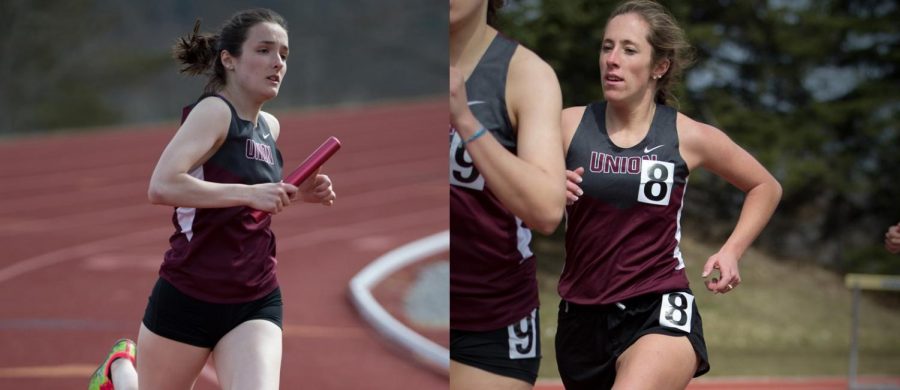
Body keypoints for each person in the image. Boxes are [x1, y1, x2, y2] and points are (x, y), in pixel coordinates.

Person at [88, 8, 336, 390]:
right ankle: (120, 369)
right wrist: (251, 192)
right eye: (265, 50)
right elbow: (162, 186)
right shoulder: (214, 112)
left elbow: (246, 209)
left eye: (284, 54)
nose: (278, 63)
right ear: (229, 59)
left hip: (256, 295)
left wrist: (298, 194)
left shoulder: (269, 126)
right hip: (190, 294)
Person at [555, 1, 782, 389]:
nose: (612, 60)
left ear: (659, 66)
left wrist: (731, 251)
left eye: (629, 50)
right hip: (581, 316)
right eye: (606, 47)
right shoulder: (567, 124)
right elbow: (511, 190)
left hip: (657, 307)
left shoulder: (687, 136)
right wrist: (541, 184)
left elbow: (765, 186)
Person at [449, 0, 566, 388]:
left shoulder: (525, 75)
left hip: (490, 320)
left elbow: (547, 210)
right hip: (416, 306)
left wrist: (465, 120)